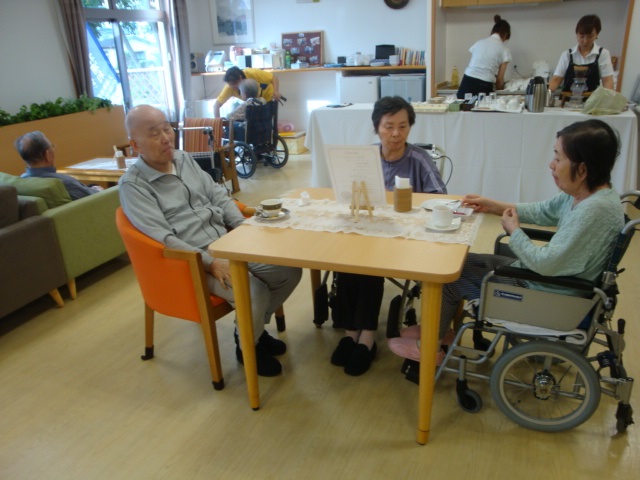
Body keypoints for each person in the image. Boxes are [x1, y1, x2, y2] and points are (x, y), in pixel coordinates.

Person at [388, 119, 625, 366]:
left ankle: (431, 347)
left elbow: (545, 264)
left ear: (582, 169)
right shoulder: (589, 194)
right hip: (546, 281)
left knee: (448, 279)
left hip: (547, 294)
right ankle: (440, 329)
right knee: (459, 263)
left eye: (558, 157)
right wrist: (492, 205)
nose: (551, 164)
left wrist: (515, 231)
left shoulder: (593, 211)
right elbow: (543, 211)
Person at [118, 105, 302, 377]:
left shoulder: (183, 158)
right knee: (253, 291)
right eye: (154, 134)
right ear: (135, 145)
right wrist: (209, 262)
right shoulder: (133, 185)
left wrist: (242, 228)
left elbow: (218, 196)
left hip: (226, 242)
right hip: (190, 263)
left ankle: (250, 330)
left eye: (167, 128)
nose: (166, 138)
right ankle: (248, 347)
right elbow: (163, 238)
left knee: (289, 270)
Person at [330, 96, 447, 376]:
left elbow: (441, 198)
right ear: (377, 128)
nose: (396, 133)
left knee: (370, 262)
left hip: (403, 236)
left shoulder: (418, 158)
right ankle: (350, 333)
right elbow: (345, 192)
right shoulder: (365, 157)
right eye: (389, 126)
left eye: (403, 126)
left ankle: (367, 337)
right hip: (366, 228)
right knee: (344, 258)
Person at [14, 131, 101, 200]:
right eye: (52, 146)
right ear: (47, 155)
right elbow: (96, 198)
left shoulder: (22, 182)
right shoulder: (63, 183)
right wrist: (100, 191)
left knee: (91, 185)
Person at [548, 15, 614, 94]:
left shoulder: (603, 54)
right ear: (576, 34)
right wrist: (547, 94)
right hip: (567, 99)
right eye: (581, 36)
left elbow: (607, 81)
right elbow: (556, 79)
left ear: (597, 34)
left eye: (590, 37)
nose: (585, 41)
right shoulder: (567, 54)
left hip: (592, 100)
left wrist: (609, 98)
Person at [456, 15, 512, 99]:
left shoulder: (479, 43)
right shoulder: (504, 50)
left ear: (493, 31)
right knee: (482, 107)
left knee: (461, 106)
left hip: (466, 81)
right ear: (506, 34)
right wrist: (500, 89)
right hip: (483, 85)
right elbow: (500, 80)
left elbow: (477, 64)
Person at [213, 66, 281, 118]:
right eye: (230, 85)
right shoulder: (229, 87)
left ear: (240, 78)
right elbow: (216, 105)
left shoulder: (252, 73)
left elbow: (273, 78)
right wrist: (218, 123)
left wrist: (276, 91)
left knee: (267, 122)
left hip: (267, 98)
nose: (232, 87)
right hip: (253, 104)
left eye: (234, 85)